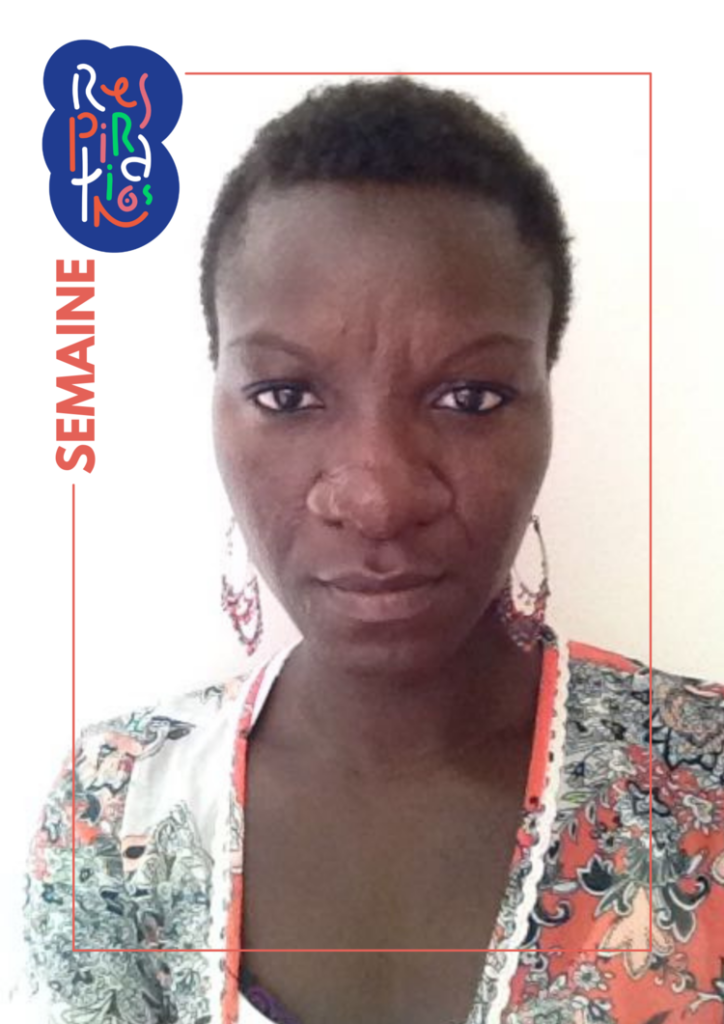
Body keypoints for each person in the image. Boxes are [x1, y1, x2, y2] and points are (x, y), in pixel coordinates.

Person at [19, 77, 724, 1024]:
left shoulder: (704, 784)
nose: (378, 499)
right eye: (287, 396)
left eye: (469, 397)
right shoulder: (114, 814)